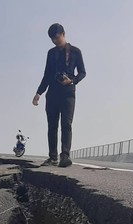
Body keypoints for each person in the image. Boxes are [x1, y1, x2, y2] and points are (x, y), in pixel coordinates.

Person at [32, 23, 86, 167]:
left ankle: (65, 156)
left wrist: (72, 80)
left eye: (56, 37)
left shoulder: (75, 51)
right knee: (52, 126)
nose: (55, 41)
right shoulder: (51, 53)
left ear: (63, 34)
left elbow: (82, 72)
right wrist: (39, 92)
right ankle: (52, 157)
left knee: (66, 124)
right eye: (52, 39)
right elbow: (47, 75)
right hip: (52, 94)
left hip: (68, 93)